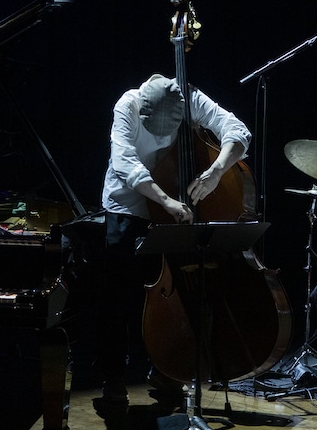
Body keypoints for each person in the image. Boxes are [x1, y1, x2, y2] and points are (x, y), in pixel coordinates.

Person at [97, 74, 251, 406]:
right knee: (119, 293)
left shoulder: (189, 97)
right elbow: (125, 161)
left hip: (174, 205)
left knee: (178, 290)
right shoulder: (128, 104)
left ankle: (167, 369)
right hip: (129, 203)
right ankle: (113, 375)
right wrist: (165, 201)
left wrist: (215, 173)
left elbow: (238, 131)